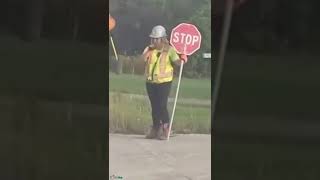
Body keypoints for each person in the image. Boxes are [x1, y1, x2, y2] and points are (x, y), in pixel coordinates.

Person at [142, 25, 187, 140]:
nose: (154, 41)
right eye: (153, 38)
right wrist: (144, 56)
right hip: (151, 82)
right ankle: (156, 128)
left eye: (156, 39)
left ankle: (166, 128)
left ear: (162, 38)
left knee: (162, 105)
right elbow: (141, 60)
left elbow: (177, 62)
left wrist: (182, 59)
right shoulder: (149, 49)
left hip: (164, 83)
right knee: (154, 106)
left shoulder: (169, 50)